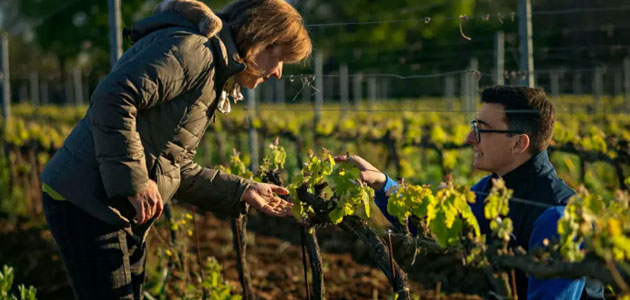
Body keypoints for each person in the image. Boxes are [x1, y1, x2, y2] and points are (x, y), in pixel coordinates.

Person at [39, 0, 311, 299]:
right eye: (281, 58)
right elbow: (113, 96)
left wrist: (242, 191)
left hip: (106, 201)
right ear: (262, 41)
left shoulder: (211, 66)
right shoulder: (196, 52)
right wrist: (136, 183)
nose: (278, 74)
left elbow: (171, 166)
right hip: (88, 200)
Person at [337, 85, 585, 299]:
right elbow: (436, 226)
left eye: (482, 129)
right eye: (473, 126)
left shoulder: (558, 217)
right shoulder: (491, 190)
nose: (469, 138)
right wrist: (383, 183)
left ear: (519, 143)